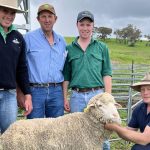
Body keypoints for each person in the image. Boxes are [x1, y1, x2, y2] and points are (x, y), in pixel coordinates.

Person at [63, 10, 112, 150]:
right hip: (77, 96)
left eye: (88, 24)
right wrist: (65, 97)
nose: (85, 28)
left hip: (97, 96)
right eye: (82, 24)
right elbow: (66, 75)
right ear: (77, 25)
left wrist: (107, 97)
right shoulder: (69, 48)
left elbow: (107, 73)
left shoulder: (102, 47)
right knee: (76, 133)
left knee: (102, 132)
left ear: (93, 26)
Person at [23, 3, 68, 119]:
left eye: (50, 16)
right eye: (43, 16)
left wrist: (64, 96)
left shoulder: (62, 41)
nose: (47, 20)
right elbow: (20, 66)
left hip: (56, 91)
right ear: (38, 19)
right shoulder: (28, 38)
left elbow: (65, 68)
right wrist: (21, 93)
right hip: (35, 91)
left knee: (56, 129)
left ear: (55, 19)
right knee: (34, 130)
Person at [0, 0, 32, 134]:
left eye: (12, 12)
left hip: (9, 96)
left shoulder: (18, 38)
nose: (9, 16)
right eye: (5, 11)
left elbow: (22, 68)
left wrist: (27, 94)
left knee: (10, 138)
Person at [105, 72, 150, 150]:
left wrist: (115, 127)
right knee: (137, 148)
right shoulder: (139, 108)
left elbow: (145, 139)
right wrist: (114, 122)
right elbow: (128, 131)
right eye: (143, 90)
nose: (145, 93)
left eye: (149, 89)